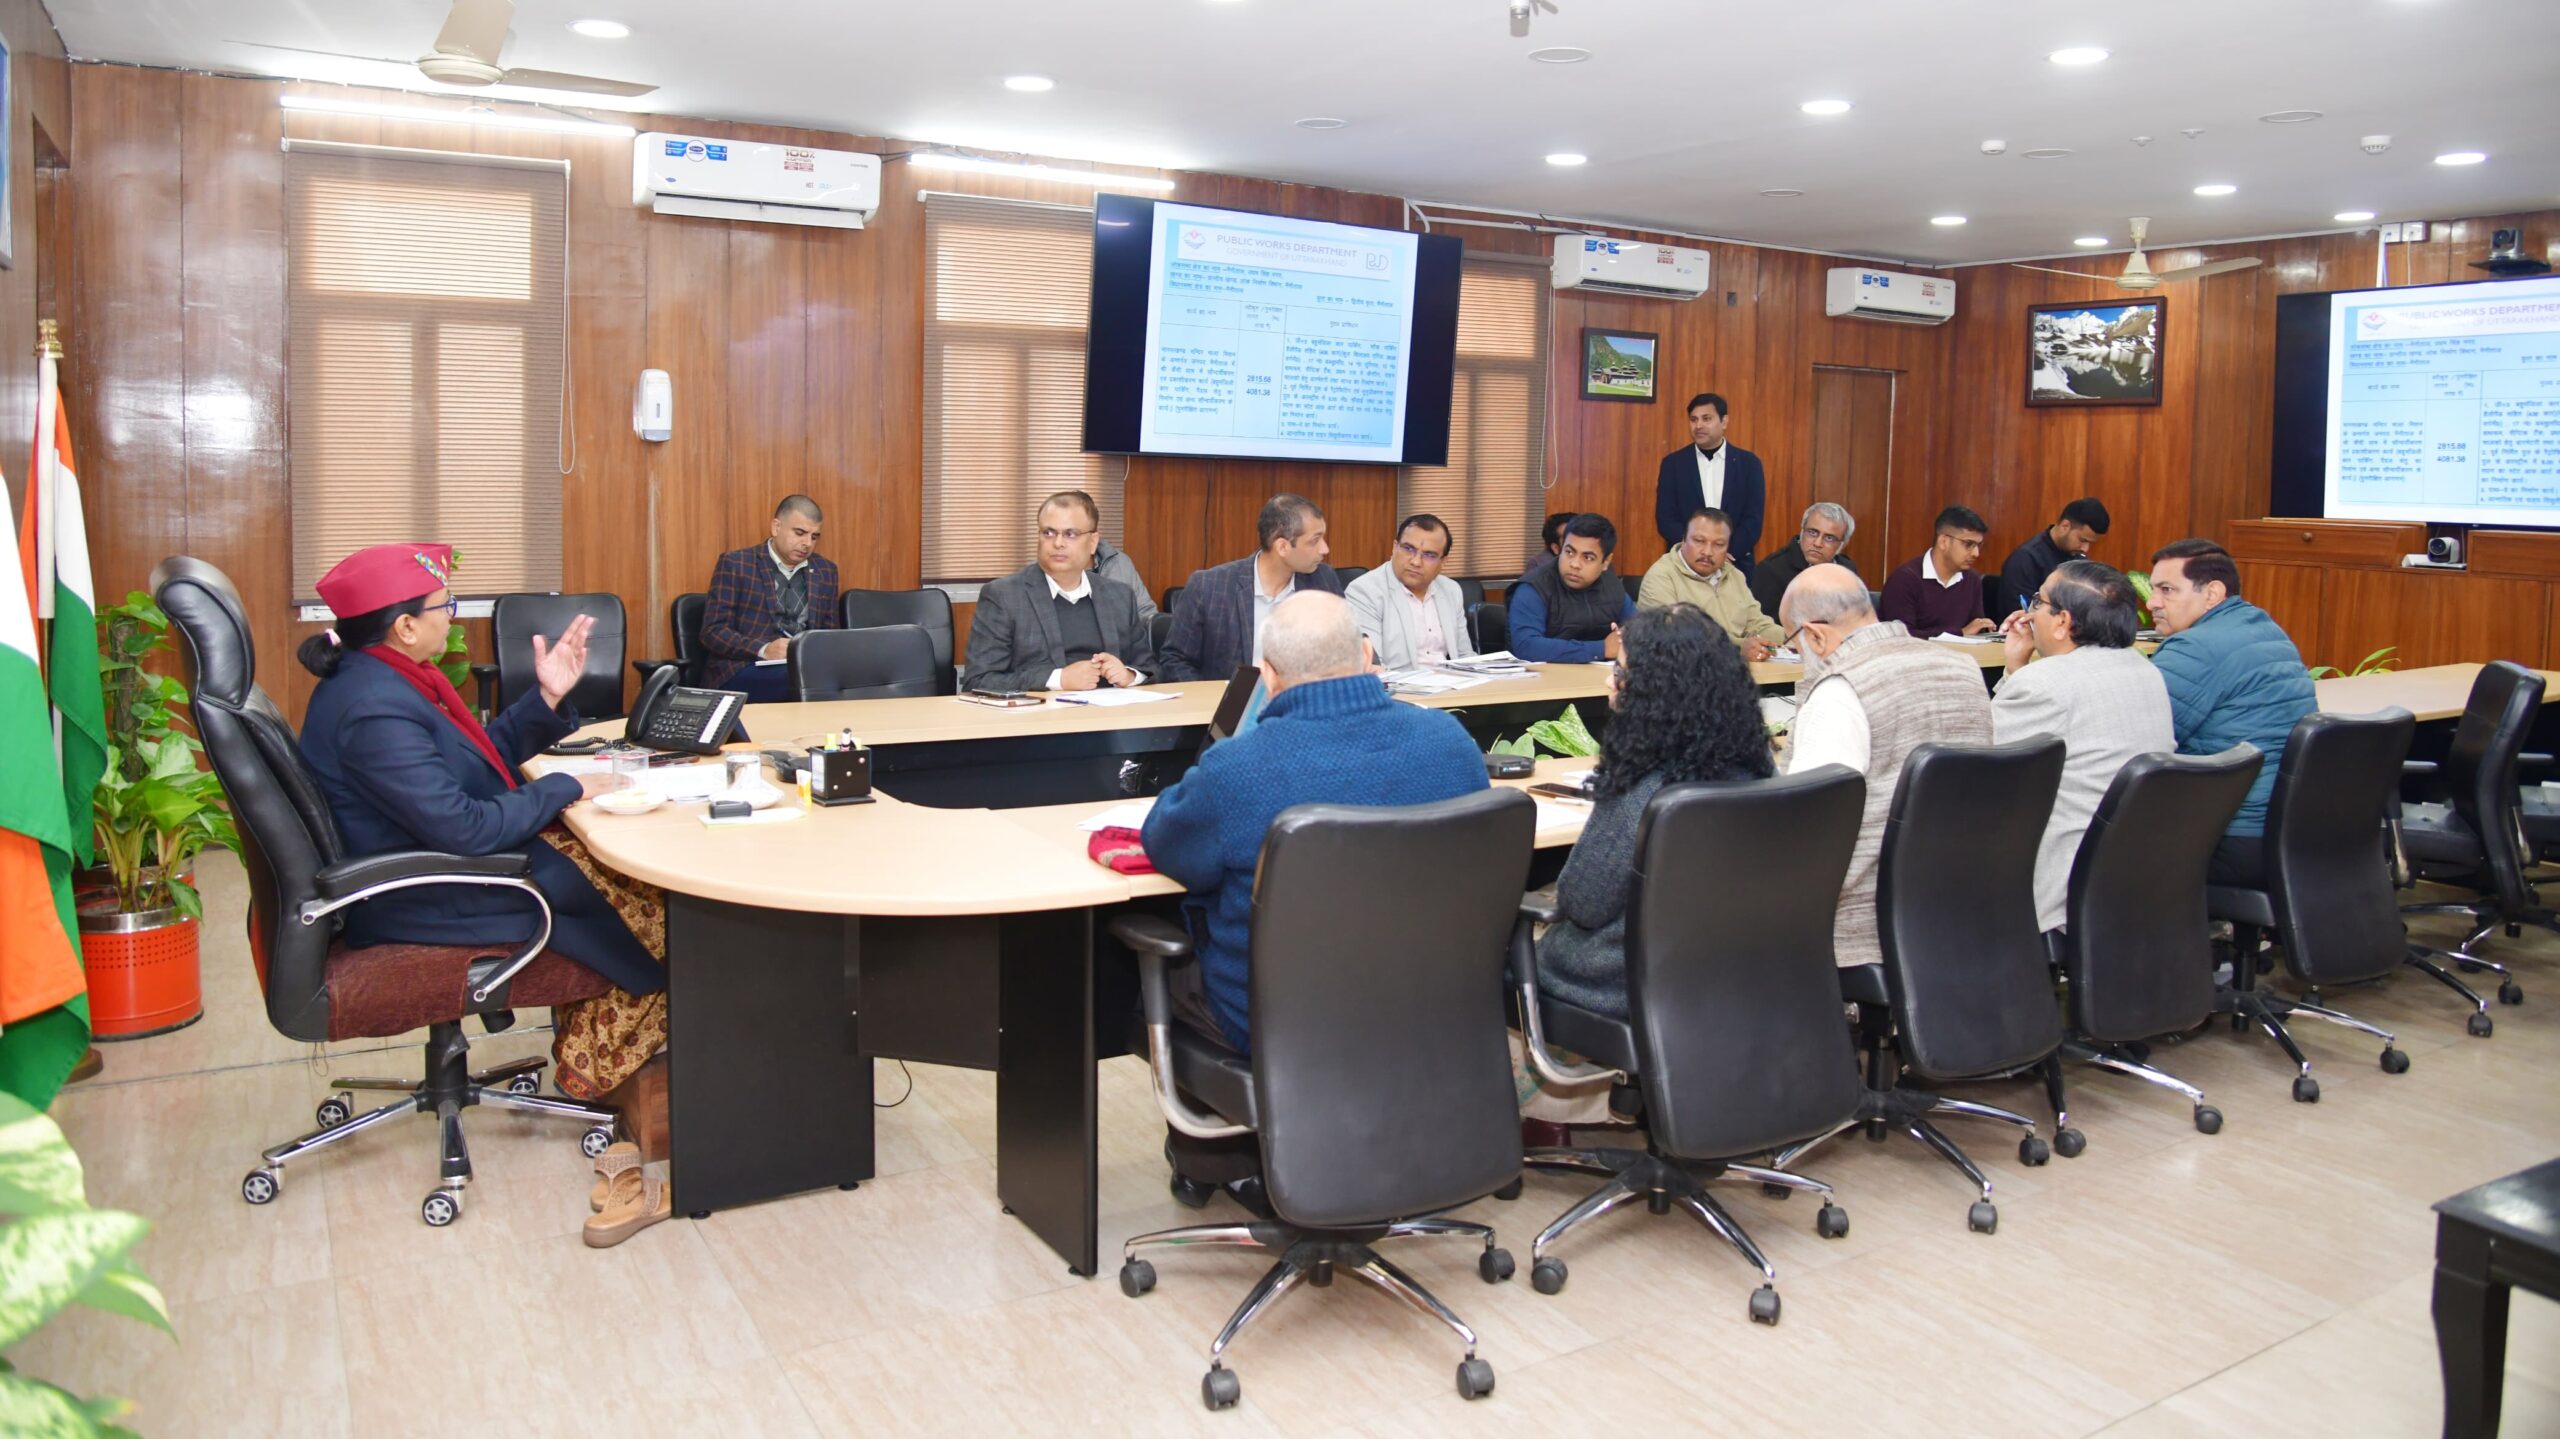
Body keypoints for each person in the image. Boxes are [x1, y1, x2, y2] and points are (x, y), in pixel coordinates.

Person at [296, 544, 673, 1247]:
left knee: (621, 873)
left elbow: (472, 767)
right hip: (432, 892)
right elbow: (465, 826)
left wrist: (546, 697)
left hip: (444, 864)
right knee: (655, 905)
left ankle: (615, 1056)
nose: (454, 618)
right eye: (444, 607)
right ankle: (616, 1065)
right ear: (405, 626)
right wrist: (567, 785)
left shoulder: (387, 678)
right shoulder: (373, 709)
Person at [1142, 592, 1490, 1055]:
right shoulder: (1450, 740)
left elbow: (1166, 845)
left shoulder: (1235, 768)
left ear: (1267, 674)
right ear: (1366, 654)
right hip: (1432, 1002)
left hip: (1275, 1022)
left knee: (1150, 980)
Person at [1536, 605, 1776, 1021]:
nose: (1608, 679)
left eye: (1620, 671)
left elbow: (1583, 903)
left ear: (1655, 689)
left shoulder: (1643, 786)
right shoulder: (1759, 768)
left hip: (1619, 982)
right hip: (1731, 971)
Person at [1782, 565, 1993, 968]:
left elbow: (1806, 829)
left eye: (1793, 642)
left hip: (1859, 923)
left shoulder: (1840, 690)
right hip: (1956, 905)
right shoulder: (1963, 667)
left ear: (1815, 635)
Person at [1990, 560, 2175, 934]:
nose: (2029, 615)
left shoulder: (2046, 683)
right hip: (2137, 875)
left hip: (2066, 881)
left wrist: (2019, 674)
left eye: (2038, 602)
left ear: (2062, 621)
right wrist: (2017, 667)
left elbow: (1981, 771)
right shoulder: (2145, 671)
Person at [2147, 538, 2315, 886]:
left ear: (2212, 593)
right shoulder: (2263, 628)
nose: (2152, 603)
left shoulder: (2195, 648)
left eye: (2167, 590)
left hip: (2233, 837)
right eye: (2153, 590)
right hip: (2290, 832)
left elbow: (2139, 739)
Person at [962, 491, 1156, 692]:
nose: (1058, 543)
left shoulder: (1120, 596)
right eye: (1049, 533)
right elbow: (978, 681)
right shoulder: (1004, 596)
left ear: (1093, 542)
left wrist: (1129, 675)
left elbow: (1151, 669)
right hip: (1045, 710)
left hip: (1113, 709)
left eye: (1070, 534)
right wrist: (1058, 680)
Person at [1157, 494, 1345, 681]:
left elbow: (1345, 650)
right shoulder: (1210, 587)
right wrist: (1211, 696)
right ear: (1282, 547)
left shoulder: (1323, 581)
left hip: (1303, 696)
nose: (1325, 549)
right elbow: (1175, 660)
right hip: (1230, 698)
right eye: (1314, 541)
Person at [702, 495, 839, 702]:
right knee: (801, 680)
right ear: (776, 527)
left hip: (804, 668)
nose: (807, 543)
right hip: (744, 666)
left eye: (814, 537)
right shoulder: (736, 564)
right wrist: (763, 649)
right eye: (800, 533)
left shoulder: (826, 571)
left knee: (847, 677)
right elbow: (712, 632)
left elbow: (829, 635)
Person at [1635, 508, 1786, 662]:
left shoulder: (1734, 575)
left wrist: (1792, 637)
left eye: (1719, 544)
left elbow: (1757, 624)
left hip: (1734, 670)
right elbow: (1675, 637)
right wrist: (1739, 648)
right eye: (1699, 541)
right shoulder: (1661, 577)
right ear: (1684, 539)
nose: (1707, 552)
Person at [1344, 513, 1477, 669]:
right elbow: (1372, 666)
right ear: (1394, 547)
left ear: (1443, 562)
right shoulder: (1364, 591)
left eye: (1429, 555)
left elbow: (1464, 656)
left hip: (1451, 681)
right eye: (1408, 549)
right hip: (1396, 683)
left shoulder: (1451, 590)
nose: (1416, 561)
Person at [1653, 392, 1766, 570]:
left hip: (1734, 563)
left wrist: (1724, 553)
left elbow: (1753, 518)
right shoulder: (1673, 464)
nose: (1698, 425)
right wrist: (1694, 551)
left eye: (1706, 419)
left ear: (1724, 421)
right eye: (1693, 419)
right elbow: (1666, 518)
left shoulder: (1748, 464)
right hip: (1685, 565)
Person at [1512, 513, 1636, 663]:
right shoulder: (1533, 588)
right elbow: (1526, 646)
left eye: (1588, 557)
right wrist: (1601, 649)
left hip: (1601, 675)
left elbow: (1638, 633)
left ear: (1606, 562)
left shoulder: (1612, 586)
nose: (1574, 564)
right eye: (1569, 552)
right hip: (1546, 676)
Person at [1877, 504, 1997, 639]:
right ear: (1943, 542)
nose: (1976, 553)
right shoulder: (1904, 579)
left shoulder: (1972, 579)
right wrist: (1960, 633)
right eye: (1968, 544)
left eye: (1979, 545)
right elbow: (1902, 638)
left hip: (1958, 652)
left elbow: (1973, 630)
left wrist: (1985, 628)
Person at [1993, 498, 2111, 617]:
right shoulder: (2024, 560)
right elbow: (2022, 616)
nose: (2085, 549)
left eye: (2090, 543)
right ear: (2065, 526)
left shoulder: (2078, 559)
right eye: (2083, 540)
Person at [1749, 501, 1861, 619]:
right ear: (1802, 531)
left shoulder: (1847, 570)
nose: (1817, 543)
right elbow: (1764, 624)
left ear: (1842, 544)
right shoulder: (1772, 570)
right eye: (1812, 533)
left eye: (1829, 538)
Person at [1506, 511, 1581, 611]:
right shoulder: (1538, 566)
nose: (1578, 541)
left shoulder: (1594, 561)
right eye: (1569, 537)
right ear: (1556, 548)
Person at [1090, 526, 1158, 627]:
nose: (1064, 543)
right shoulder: (1064, 568)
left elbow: (1145, 613)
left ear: (1093, 539)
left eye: (1071, 534)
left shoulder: (1120, 562)